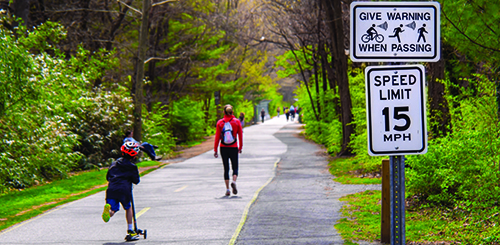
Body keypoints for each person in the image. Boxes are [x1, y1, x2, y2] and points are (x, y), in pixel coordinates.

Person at [102, 142, 141, 237]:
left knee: (113, 208)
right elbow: (136, 180)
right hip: (124, 190)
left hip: (112, 189)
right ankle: (130, 229)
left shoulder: (114, 164)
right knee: (128, 208)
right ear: (134, 155)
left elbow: (108, 176)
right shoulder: (132, 167)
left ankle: (109, 211)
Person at [214, 104, 243, 196]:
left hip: (223, 147)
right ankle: (234, 181)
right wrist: (240, 147)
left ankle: (227, 189)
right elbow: (240, 135)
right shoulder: (237, 122)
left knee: (226, 168)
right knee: (235, 167)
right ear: (232, 112)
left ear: (224, 112)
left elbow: (217, 137)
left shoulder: (220, 122)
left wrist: (215, 149)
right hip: (233, 147)